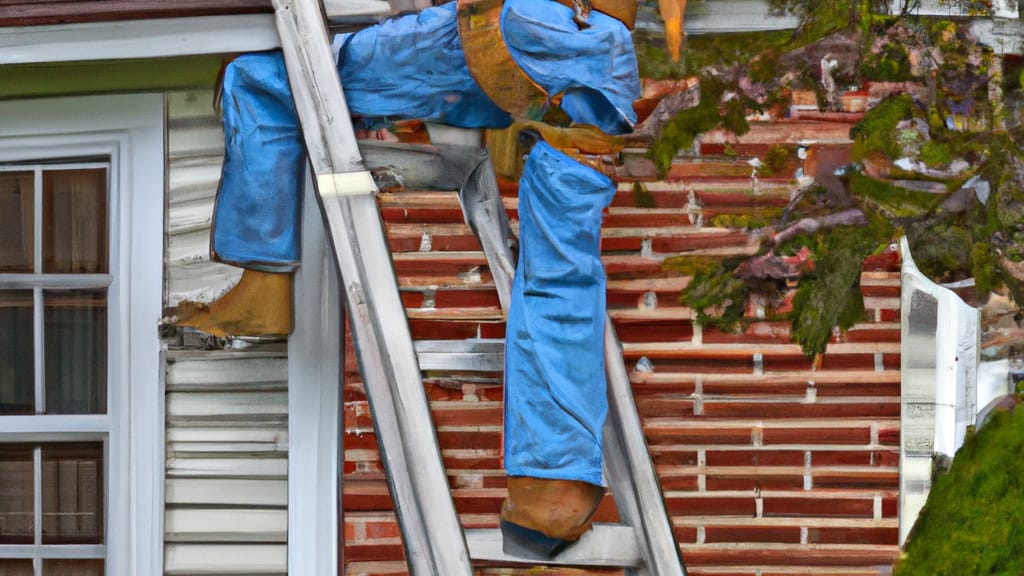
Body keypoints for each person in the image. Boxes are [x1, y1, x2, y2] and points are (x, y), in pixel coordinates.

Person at [174, 0, 640, 557]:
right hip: (599, 57)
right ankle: (550, 490)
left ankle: (265, 285)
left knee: (263, 81)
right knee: (561, 272)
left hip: (512, 26)